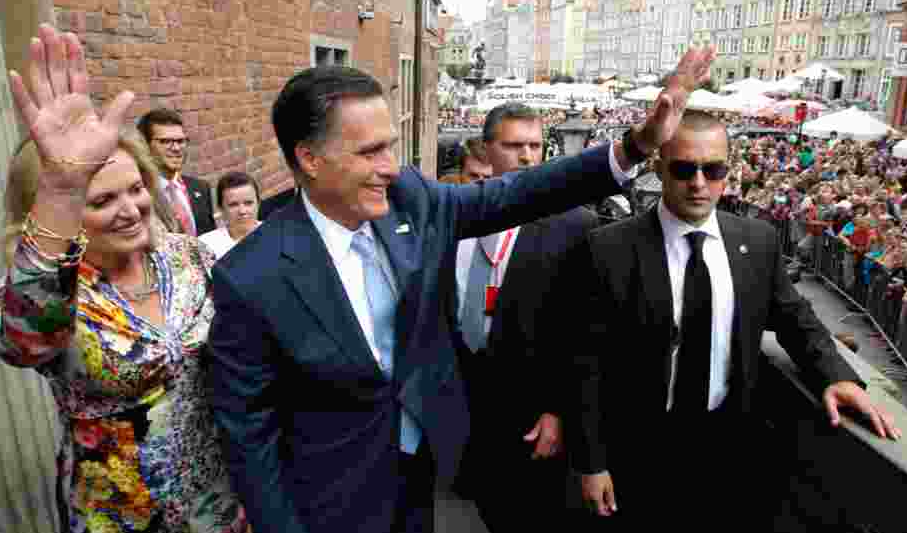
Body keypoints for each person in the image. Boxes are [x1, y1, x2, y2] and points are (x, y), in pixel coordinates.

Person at [206, 47, 717, 533]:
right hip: (331, 495)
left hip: (422, 467)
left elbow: (516, 193)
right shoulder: (250, 277)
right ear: (309, 158)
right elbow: (249, 438)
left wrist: (636, 145)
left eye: (391, 145)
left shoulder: (408, 199)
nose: (391, 166)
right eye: (371, 151)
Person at [567, 110, 901, 530]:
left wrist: (837, 376)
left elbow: (795, 316)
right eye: (684, 168)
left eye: (714, 169)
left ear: (729, 170)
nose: (699, 183)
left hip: (728, 445)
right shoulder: (608, 248)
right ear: (658, 168)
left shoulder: (756, 240)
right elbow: (586, 363)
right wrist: (591, 461)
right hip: (635, 448)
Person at [0, 24, 245, 533]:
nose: (129, 211)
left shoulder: (189, 258)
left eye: (135, 189)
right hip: (115, 518)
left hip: (219, 505)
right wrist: (62, 187)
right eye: (101, 200)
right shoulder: (42, 288)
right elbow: (22, 343)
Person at [452, 102, 599, 530]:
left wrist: (557, 410)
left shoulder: (575, 225)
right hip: (466, 402)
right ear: (487, 149)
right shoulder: (458, 215)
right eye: (514, 145)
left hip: (532, 411)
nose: (528, 156)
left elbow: (580, 331)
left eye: (535, 145)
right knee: (488, 506)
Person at [138, 108, 217, 236]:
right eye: (165, 141)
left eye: (180, 141)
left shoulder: (201, 188)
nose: (176, 148)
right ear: (145, 145)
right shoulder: (139, 196)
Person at [199, 171, 263, 259]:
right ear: (221, 208)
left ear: (258, 203)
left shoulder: (276, 234)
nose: (242, 211)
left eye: (248, 203)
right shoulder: (206, 245)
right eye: (233, 205)